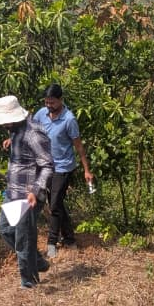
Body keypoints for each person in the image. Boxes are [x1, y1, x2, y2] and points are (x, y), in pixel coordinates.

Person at [0, 95, 54, 289]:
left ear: (15, 117)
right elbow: (27, 152)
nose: (3, 125)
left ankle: (29, 283)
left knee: (23, 240)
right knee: (5, 229)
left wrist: (35, 190)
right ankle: (37, 261)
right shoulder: (16, 130)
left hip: (28, 194)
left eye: (5, 122)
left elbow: (48, 166)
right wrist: (12, 142)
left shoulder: (33, 134)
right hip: (13, 190)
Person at [32, 84, 93, 259]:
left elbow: (78, 146)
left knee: (54, 205)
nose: (48, 106)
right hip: (46, 166)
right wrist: (13, 138)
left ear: (61, 100)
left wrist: (86, 170)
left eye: (52, 102)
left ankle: (51, 242)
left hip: (63, 167)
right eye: (46, 102)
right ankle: (69, 238)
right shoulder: (41, 114)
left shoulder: (69, 119)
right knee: (56, 203)